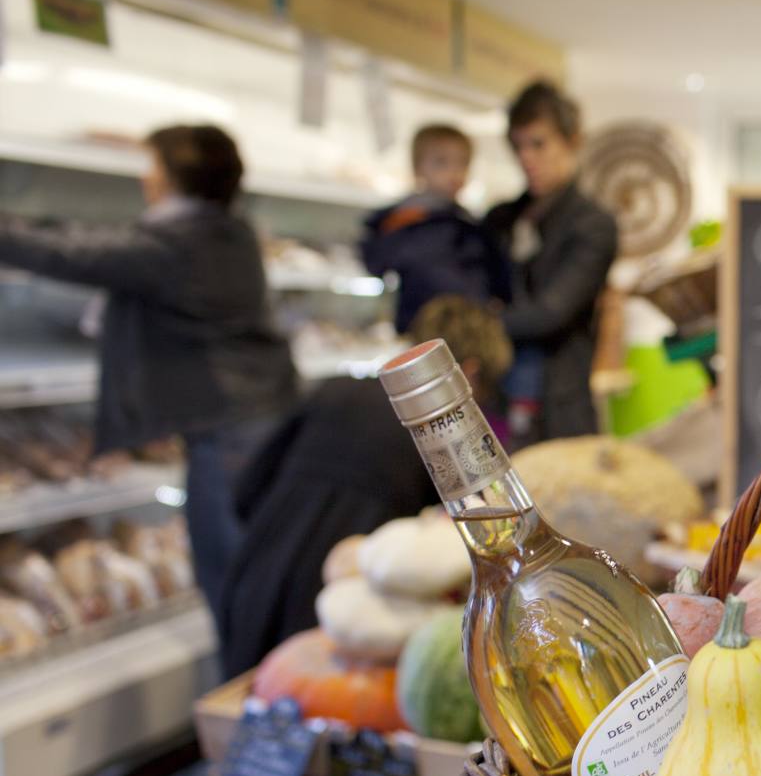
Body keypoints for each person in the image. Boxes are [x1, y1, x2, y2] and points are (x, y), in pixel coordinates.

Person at [0, 125, 297, 608]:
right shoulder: (229, 230)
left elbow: (68, 252)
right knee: (253, 561)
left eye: (151, 165)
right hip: (255, 411)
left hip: (227, 427)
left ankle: (247, 672)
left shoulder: (177, 244)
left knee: (229, 571)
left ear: (177, 176)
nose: (145, 178)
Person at [216, 296, 513, 677]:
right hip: (336, 615)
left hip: (253, 580)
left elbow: (246, 490)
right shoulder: (439, 440)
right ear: (466, 375)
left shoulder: (334, 391)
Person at [484, 80, 619, 442]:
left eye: (539, 143)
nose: (527, 157)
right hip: (497, 400)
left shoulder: (593, 224)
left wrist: (482, 321)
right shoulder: (500, 219)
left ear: (571, 140)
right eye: (519, 146)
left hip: (560, 408)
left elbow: (551, 313)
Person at [360, 123, 508, 334]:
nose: (454, 172)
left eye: (462, 163)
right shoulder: (406, 219)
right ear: (418, 167)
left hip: (469, 330)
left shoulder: (470, 224)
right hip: (423, 329)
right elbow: (378, 261)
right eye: (441, 163)